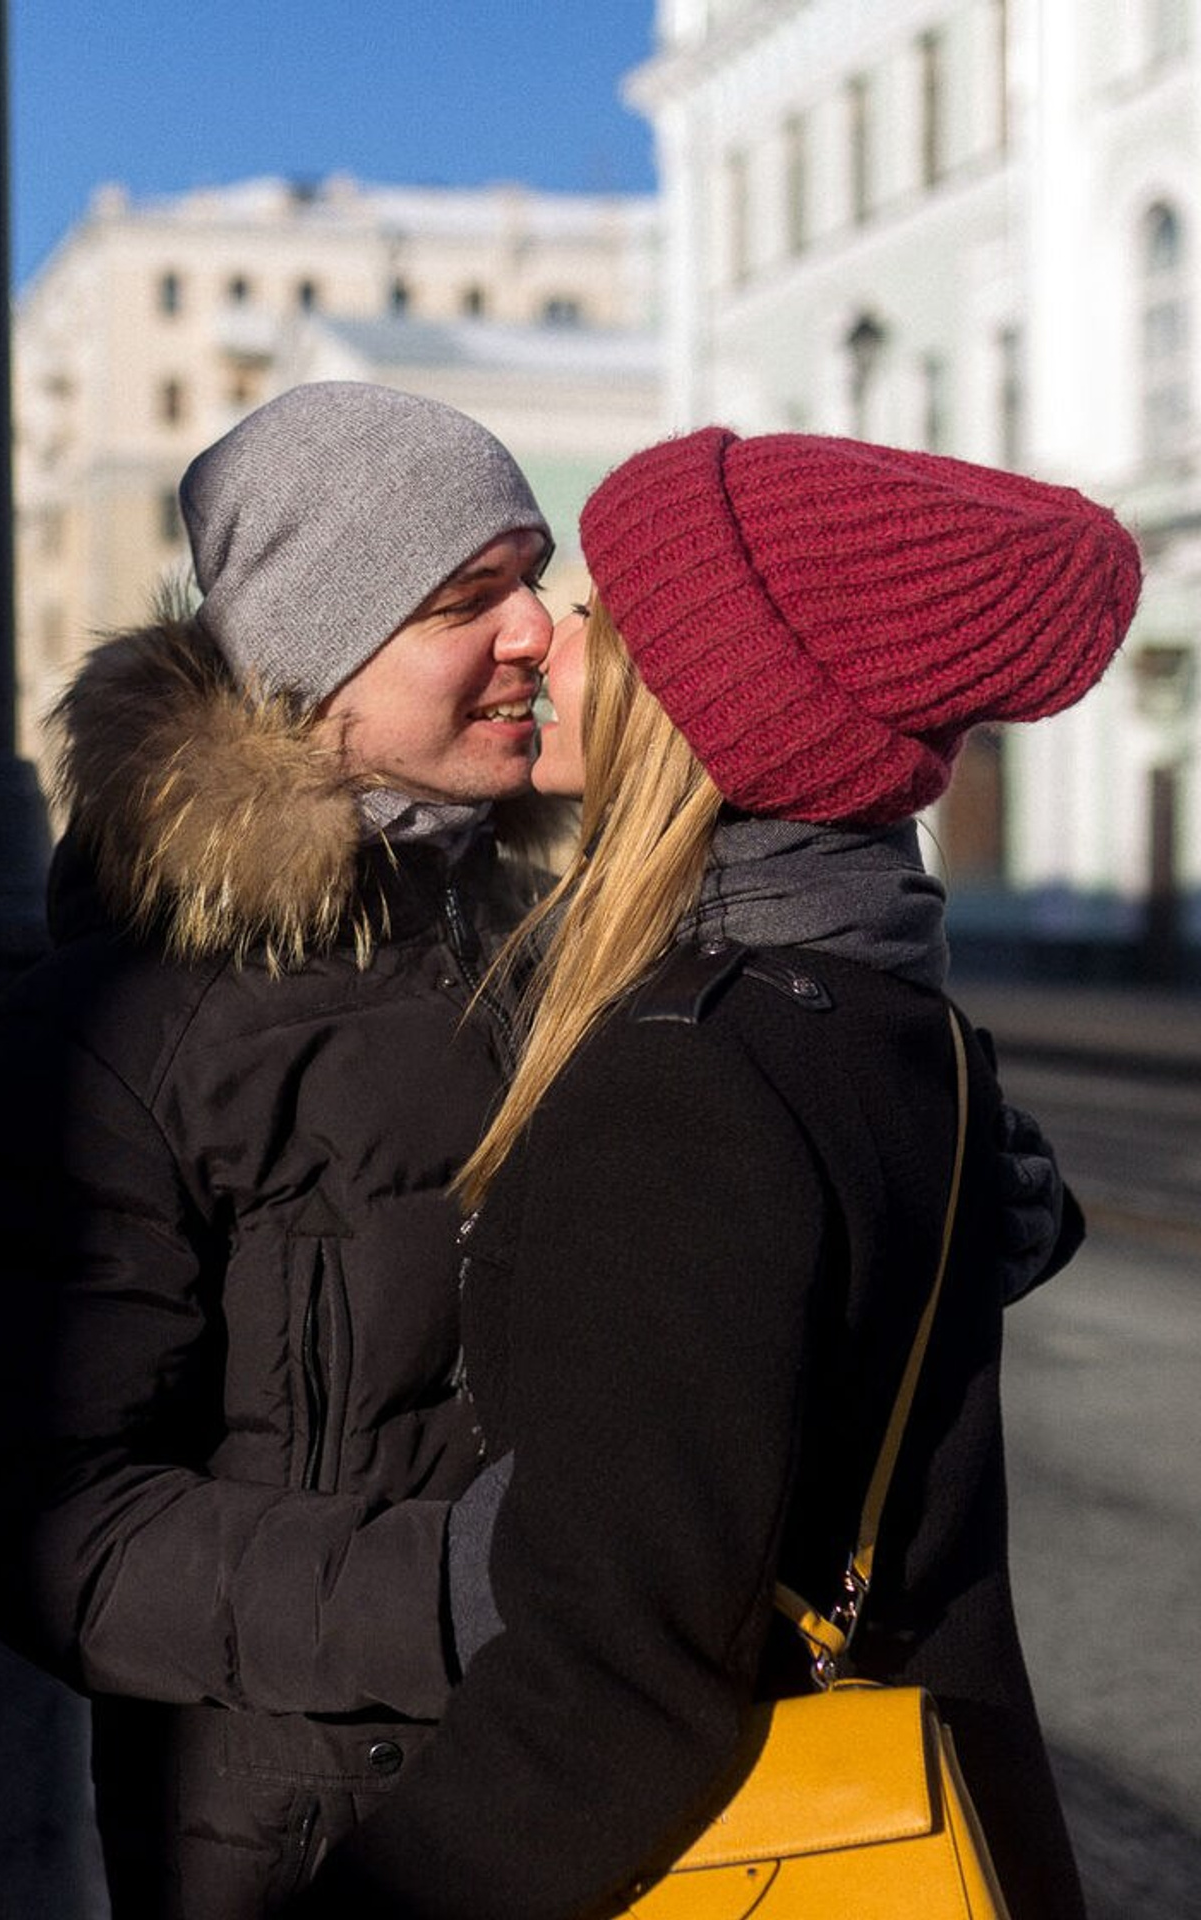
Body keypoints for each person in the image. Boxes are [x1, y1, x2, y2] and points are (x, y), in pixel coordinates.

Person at [290, 426, 1139, 1919]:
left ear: (713, 698)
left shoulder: (689, 1075)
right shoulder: (897, 1018)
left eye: (599, 612)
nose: (545, 639)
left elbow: (610, 1690)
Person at [0, 381, 571, 1919]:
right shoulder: (125, 1037)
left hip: (603, 1785)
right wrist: (449, 1591)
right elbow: (37, 1522)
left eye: (534, 579)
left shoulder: (561, 940)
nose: (539, 632)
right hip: (329, 1854)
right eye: (468, 598)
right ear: (313, 655)